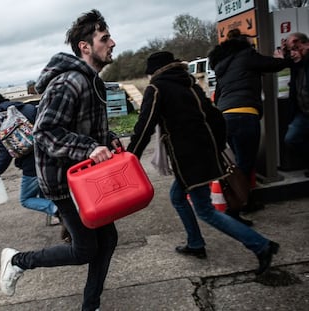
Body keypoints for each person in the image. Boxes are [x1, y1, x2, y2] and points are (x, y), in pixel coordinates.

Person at [0, 9, 121, 311]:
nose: (112, 43)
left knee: (107, 240)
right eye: (104, 38)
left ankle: (90, 306)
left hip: (85, 177)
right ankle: (17, 260)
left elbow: (82, 126)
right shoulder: (68, 83)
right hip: (64, 181)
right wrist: (89, 148)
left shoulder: (93, 83)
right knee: (85, 250)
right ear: (85, 46)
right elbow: (45, 132)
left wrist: (107, 140)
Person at [127, 51, 279, 276]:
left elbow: (145, 126)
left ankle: (261, 245)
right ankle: (195, 243)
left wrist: (131, 157)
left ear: (153, 72)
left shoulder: (157, 88)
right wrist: (215, 147)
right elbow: (216, 116)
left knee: (206, 210)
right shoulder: (189, 84)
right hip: (204, 154)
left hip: (189, 159)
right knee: (177, 197)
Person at [207, 28, 292, 223]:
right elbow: (272, 65)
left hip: (225, 117)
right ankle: (235, 210)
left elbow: (219, 95)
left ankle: (247, 202)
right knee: (245, 165)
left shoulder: (222, 65)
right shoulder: (246, 55)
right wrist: (282, 58)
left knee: (238, 163)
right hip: (245, 115)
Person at [0, 94, 63, 227]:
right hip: (50, 156)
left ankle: (60, 212)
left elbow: (5, 152)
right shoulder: (29, 108)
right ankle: (62, 219)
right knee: (43, 190)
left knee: (26, 199)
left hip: (31, 165)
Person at [278, 32, 309, 177]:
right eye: (291, 50)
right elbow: (287, 63)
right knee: (291, 138)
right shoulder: (297, 65)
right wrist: (284, 53)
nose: (293, 54)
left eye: (295, 49)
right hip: (303, 112)